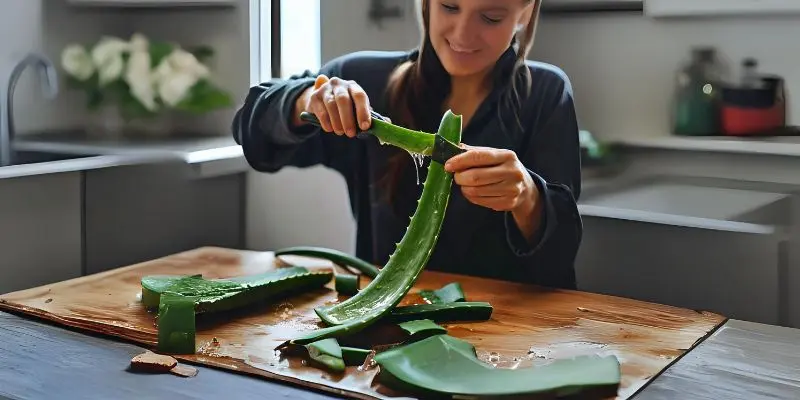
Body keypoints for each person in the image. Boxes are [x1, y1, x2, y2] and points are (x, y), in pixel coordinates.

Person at [232, 0, 583, 290]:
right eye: (449, 7)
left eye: (491, 17)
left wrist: (526, 196)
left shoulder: (546, 93)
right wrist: (307, 100)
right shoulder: (366, 79)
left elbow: (561, 254)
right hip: (384, 330)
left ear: (525, 12)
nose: (463, 34)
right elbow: (252, 134)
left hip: (510, 336)